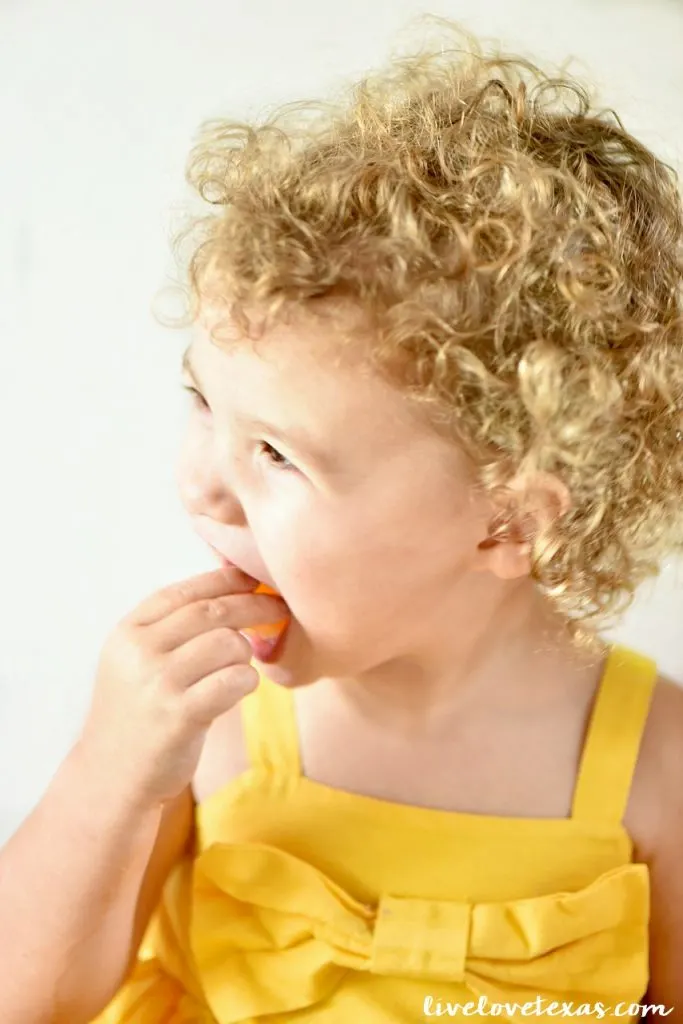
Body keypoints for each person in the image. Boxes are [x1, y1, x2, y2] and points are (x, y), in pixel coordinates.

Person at [2, 17, 683, 1023]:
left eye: (276, 453)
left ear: (503, 525)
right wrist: (108, 771)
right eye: (204, 405)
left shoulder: (651, 768)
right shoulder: (211, 722)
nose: (204, 485)